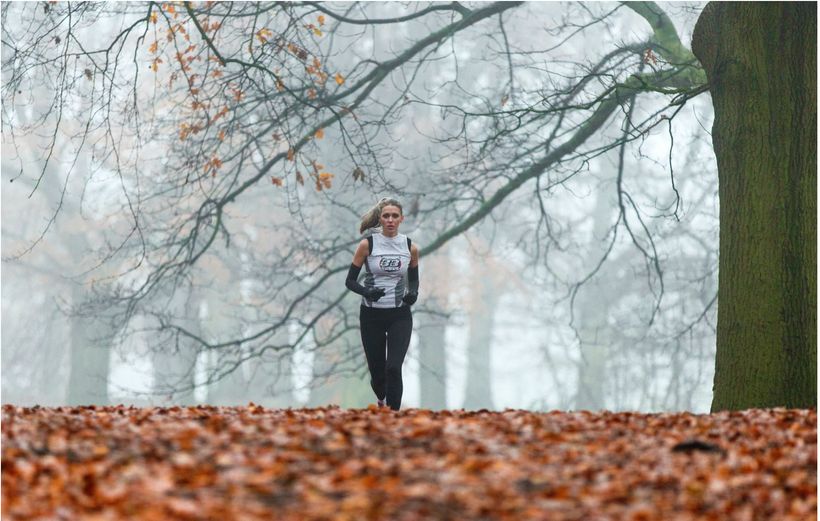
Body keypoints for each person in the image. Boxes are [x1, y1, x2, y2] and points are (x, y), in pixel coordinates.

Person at [345, 197, 419, 411]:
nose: (390, 220)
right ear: (380, 218)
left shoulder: (410, 247)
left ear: (401, 219)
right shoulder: (367, 245)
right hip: (371, 315)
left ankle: (394, 418)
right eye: (386, 216)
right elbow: (350, 281)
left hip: (399, 316)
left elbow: (413, 281)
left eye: (395, 216)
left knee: (394, 369)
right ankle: (381, 399)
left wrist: (412, 294)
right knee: (378, 376)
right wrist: (366, 291)